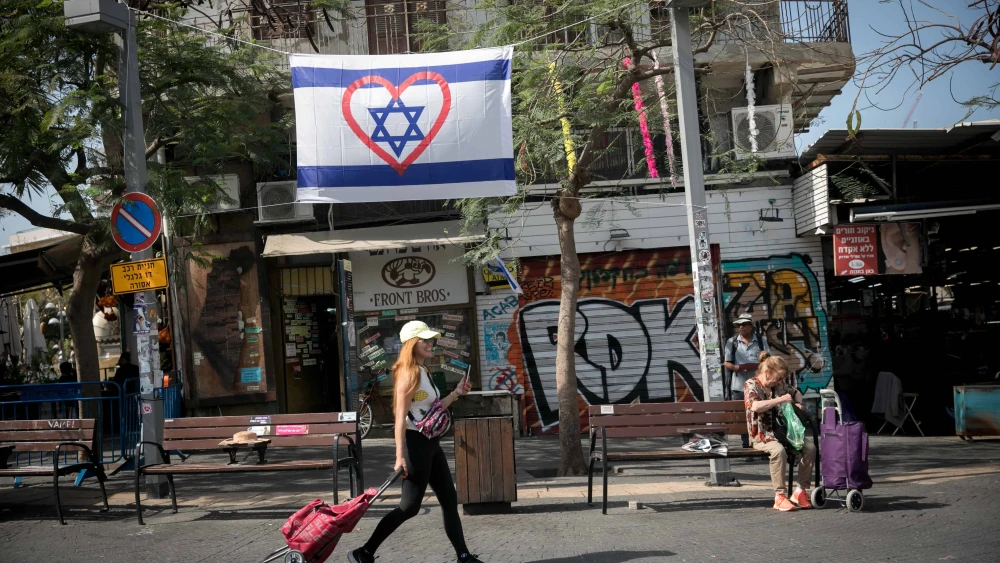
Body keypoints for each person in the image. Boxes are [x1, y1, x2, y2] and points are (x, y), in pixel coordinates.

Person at [348, 321, 483, 563]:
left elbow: (432, 410)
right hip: (415, 445)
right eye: (426, 340)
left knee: (449, 500)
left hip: (431, 443)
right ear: (412, 344)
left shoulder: (424, 371)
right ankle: (364, 552)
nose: (431, 344)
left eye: (432, 340)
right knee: (409, 507)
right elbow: (399, 419)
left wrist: (456, 393)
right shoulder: (408, 374)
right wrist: (399, 456)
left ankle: (463, 556)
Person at [744, 351, 816, 511]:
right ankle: (780, 496)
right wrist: (780, 399)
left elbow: (796, 393)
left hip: (783, 433)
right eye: (778, 377)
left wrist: (797, 403)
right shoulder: (751, 384)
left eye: (782, 378)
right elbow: (755, 406)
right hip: (762, 435)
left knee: (810, 448)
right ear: (768, 372)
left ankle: (800, 491)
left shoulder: (779, 385)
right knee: (778, 451)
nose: (780, 381)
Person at [723, 313, 770, 448]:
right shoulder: (732, 342)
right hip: (739, 385)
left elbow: (768, 359)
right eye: (739, 325)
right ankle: (747, 444)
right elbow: (727, 363)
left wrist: (759, 366)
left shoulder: (761, 340)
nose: (741, 327)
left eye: (744, 324)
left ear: (751, 326)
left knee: (760, 414)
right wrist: (736, 367)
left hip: (758, 385)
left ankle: (762, 443)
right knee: (744, 417)